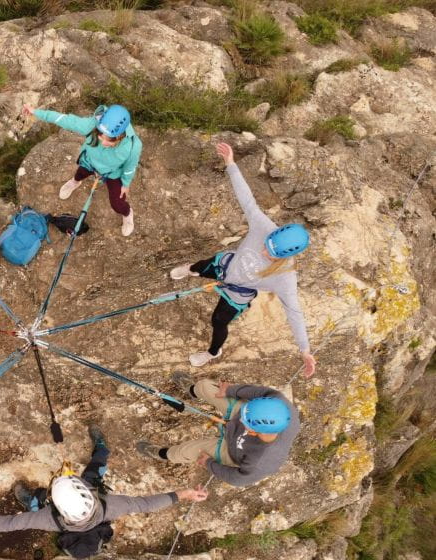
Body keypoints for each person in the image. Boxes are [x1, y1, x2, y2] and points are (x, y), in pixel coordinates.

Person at [170, 142, 316, 376]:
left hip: (238, 291)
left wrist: (305, 350)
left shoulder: (285, 277)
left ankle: (212, 353)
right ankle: (189, 270)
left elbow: (294, 313)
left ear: (287, 256)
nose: (265, 253)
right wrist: (231, 164)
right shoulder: (263, 226)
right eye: (267, 246)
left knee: (218, 321)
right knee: (198, 267)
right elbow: (247, 200)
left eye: (272, 255)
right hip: (225, 265)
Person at [0, 426, 206, 554]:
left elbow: (10, 524)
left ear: (57, 508)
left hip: (54, 511)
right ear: (88, 494)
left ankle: (32, 500)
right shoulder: (111, 506)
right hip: (89, 506)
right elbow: (147, 504)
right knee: (96, 465)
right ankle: (102, 448)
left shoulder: (47, 518)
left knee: (35, 502)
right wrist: (185, 494)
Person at [136, 375, 300, 488]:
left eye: (245, 422)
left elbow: (237, 479)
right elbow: (264, 393)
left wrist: (209, 463)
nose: (240, 420)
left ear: (256, 431)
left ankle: (159, 453)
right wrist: (231, 391)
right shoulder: (279, 406)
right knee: (205, 387)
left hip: (232, 450)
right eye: (244, 415)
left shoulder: (261, 463)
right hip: (245, 425)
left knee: (183, 452)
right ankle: (193, 390)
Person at [21, 103, 142, 237]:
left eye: (109, 141)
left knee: (117, 204)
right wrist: (36, 112)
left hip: (112, 173)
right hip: (89, 162)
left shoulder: (132, 147)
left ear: (120, 137)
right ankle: (75, 182)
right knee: (79, 174)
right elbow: (65, 120)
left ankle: (127, 213)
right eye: (101, 136)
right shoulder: (93, 125)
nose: (103, 142)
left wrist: (125, 184)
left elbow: (130, 167)